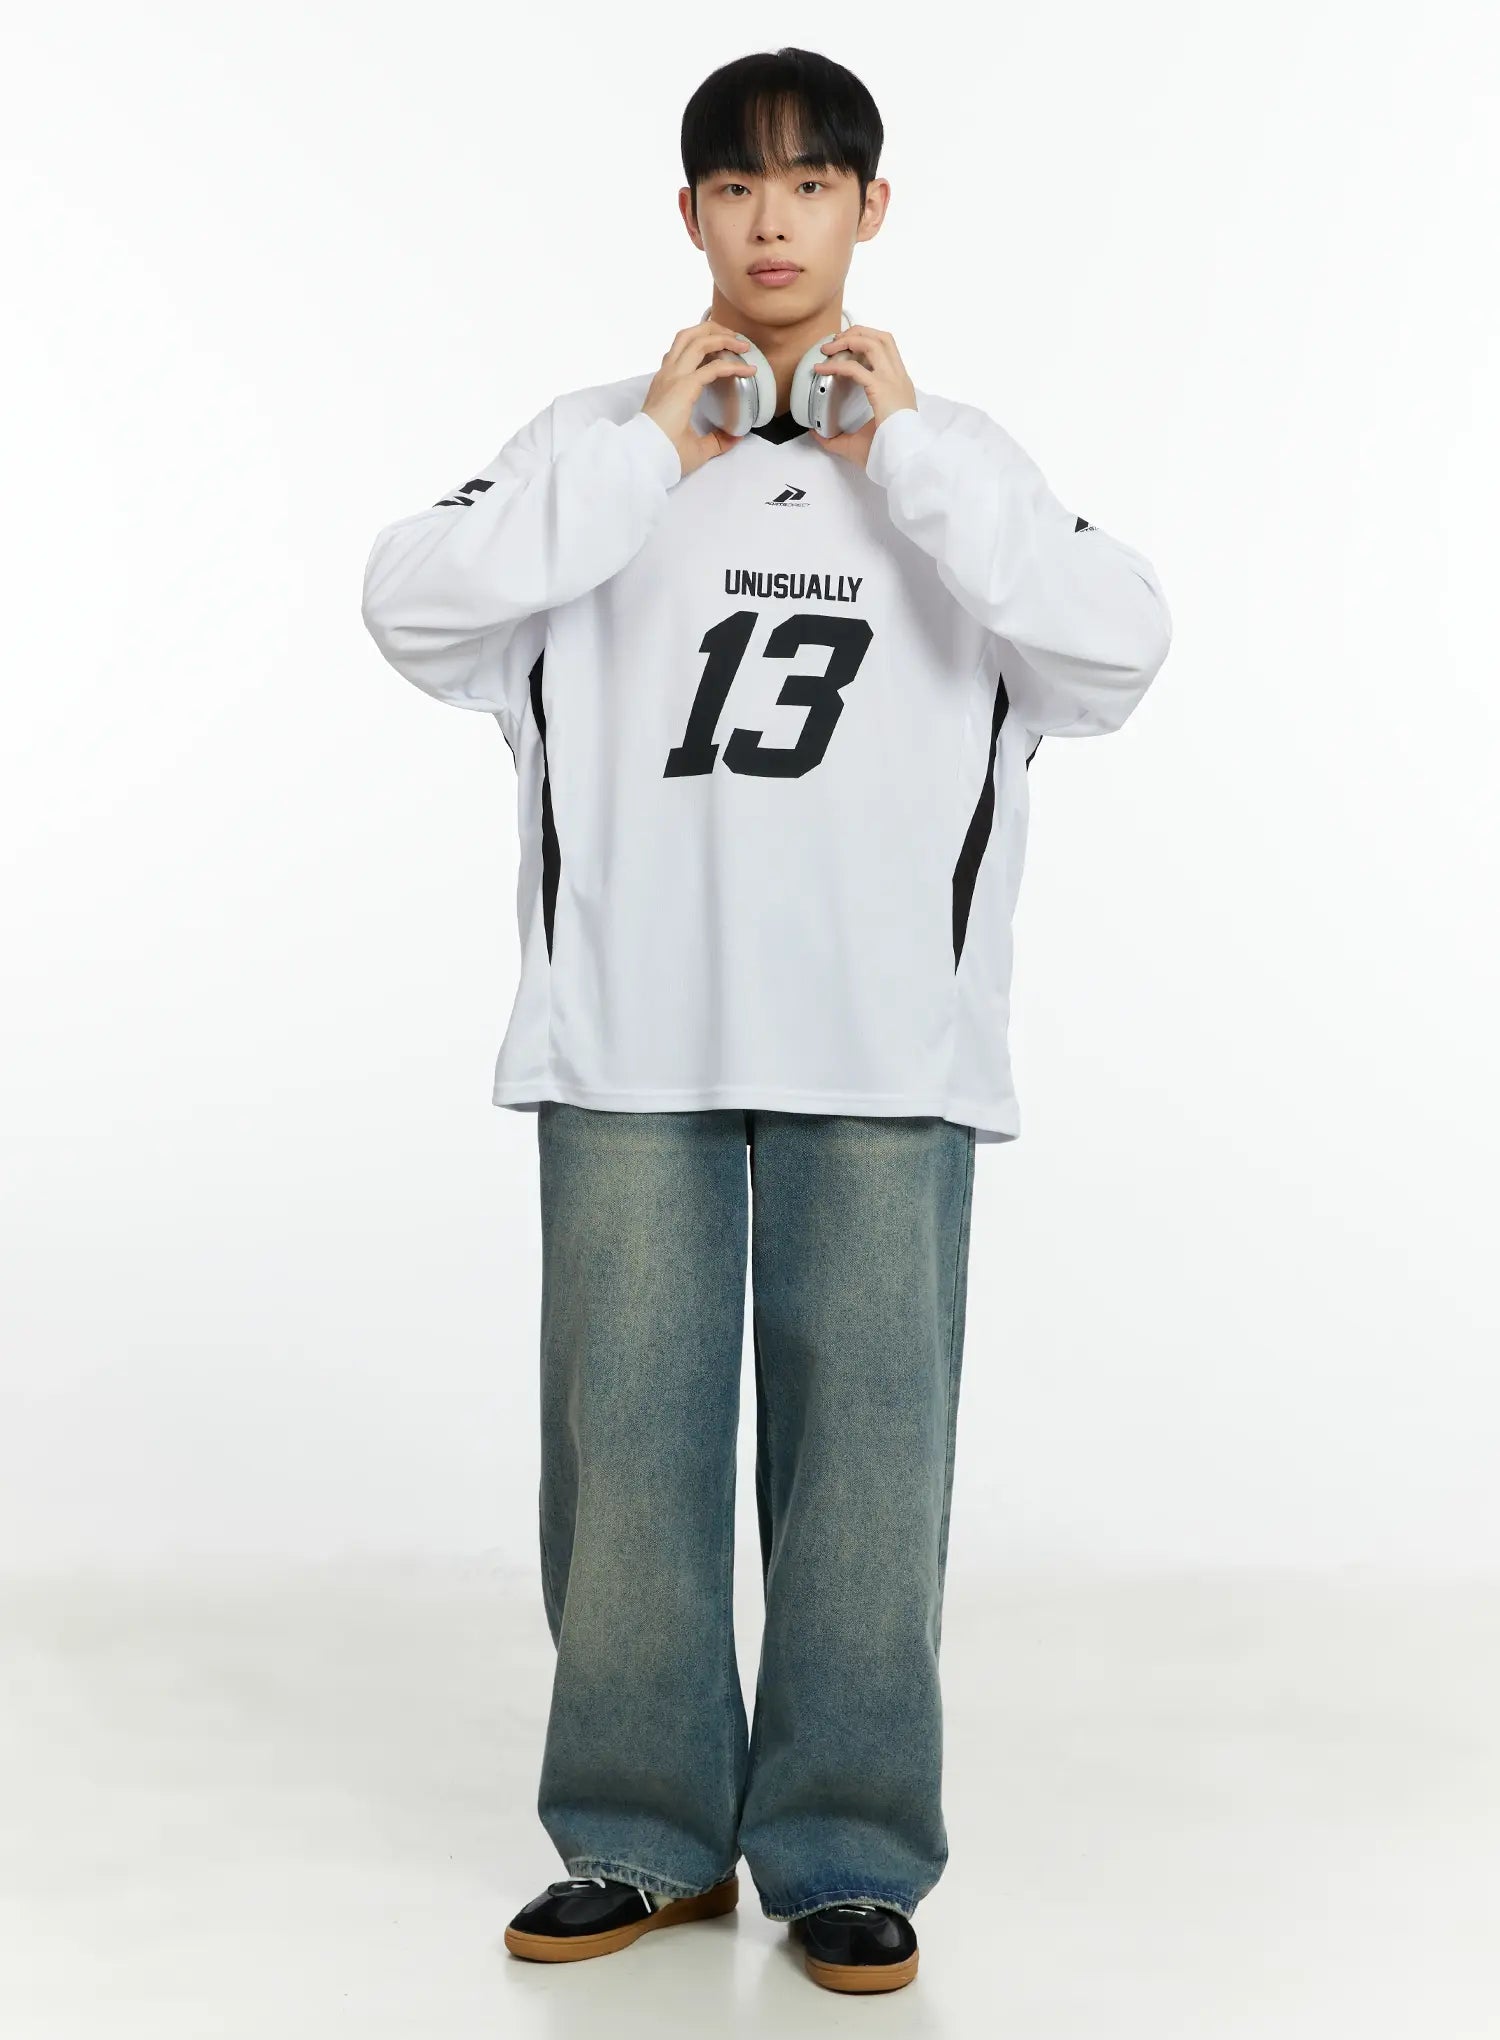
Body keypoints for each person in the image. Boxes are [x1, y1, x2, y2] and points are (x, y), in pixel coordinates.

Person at [360, 46, 1171, 1996]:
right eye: (735, 186)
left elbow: (1118, 646)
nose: (772, 220)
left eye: (810, 185)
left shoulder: (957, 458)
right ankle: (642, 1838)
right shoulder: (594, 441)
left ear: (871, 211)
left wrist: (918, 466)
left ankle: (847, 1854)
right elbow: (413, 605)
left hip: (883, 1043)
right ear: (690, 215)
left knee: (868, 1468)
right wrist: (650, 451)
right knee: (625, 1460)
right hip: (632, 1029)